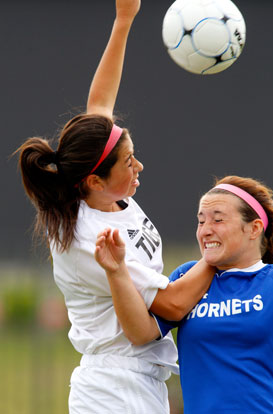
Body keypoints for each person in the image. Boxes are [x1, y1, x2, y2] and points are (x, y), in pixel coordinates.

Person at [15, 1, 215, 413]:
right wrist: (220, 255)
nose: (139, 166)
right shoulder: (90, 238)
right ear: (94, 180)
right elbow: (174, 304)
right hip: (113, 387)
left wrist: (124, 21)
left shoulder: (97, 189)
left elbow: (100, 104)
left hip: (137, 381)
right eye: (129, 162)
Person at [95, 174, 273, 414]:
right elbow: (141, 333)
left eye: (218, 220)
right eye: (201, 222)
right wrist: (117, 272)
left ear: (254, 229)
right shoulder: (187, 277)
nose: (206, 231)